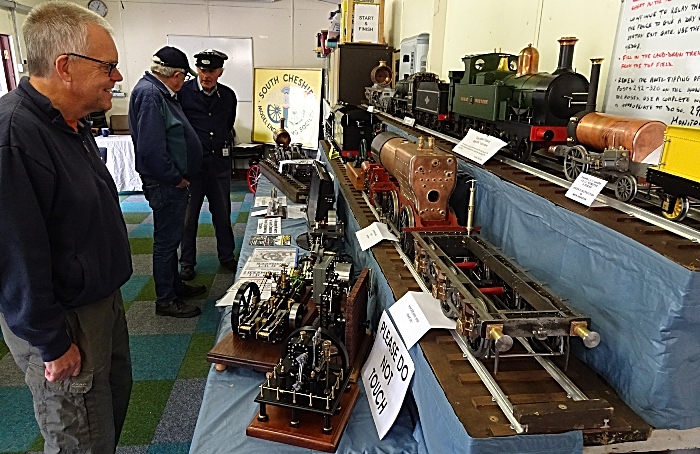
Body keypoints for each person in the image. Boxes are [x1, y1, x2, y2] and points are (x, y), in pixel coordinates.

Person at [0, 2, 133, 452]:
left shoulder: (66, 125)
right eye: (109, 66)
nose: (117, 78)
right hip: (65, 323)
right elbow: (15, 258)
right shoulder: (16, 136)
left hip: (98, 304)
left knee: (106, 420)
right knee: (82, 437)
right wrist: (52, 344)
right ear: (65, 67)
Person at [129, 46, 206, 318]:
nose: (184, 83)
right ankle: (166, 300)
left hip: (170, 181)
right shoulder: (151, 95)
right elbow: (151, 150)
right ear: (175, 75)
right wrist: (176, 178)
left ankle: (173, 286)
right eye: (184, 78)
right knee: (165, 242)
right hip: (166, 183)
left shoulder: (157, 92)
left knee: (171, 239)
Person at [178, 49, 238, 281]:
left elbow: (226, 125)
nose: (206, 76)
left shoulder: (228, 96)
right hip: (192, 167)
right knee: (188, 217)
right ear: (196, 70)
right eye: (202, 70)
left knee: (222, 213)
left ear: (220, 72)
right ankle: (187, 262)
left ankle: (226, 256)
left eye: (212, 71)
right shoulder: (182, 93)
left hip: (219, 166)